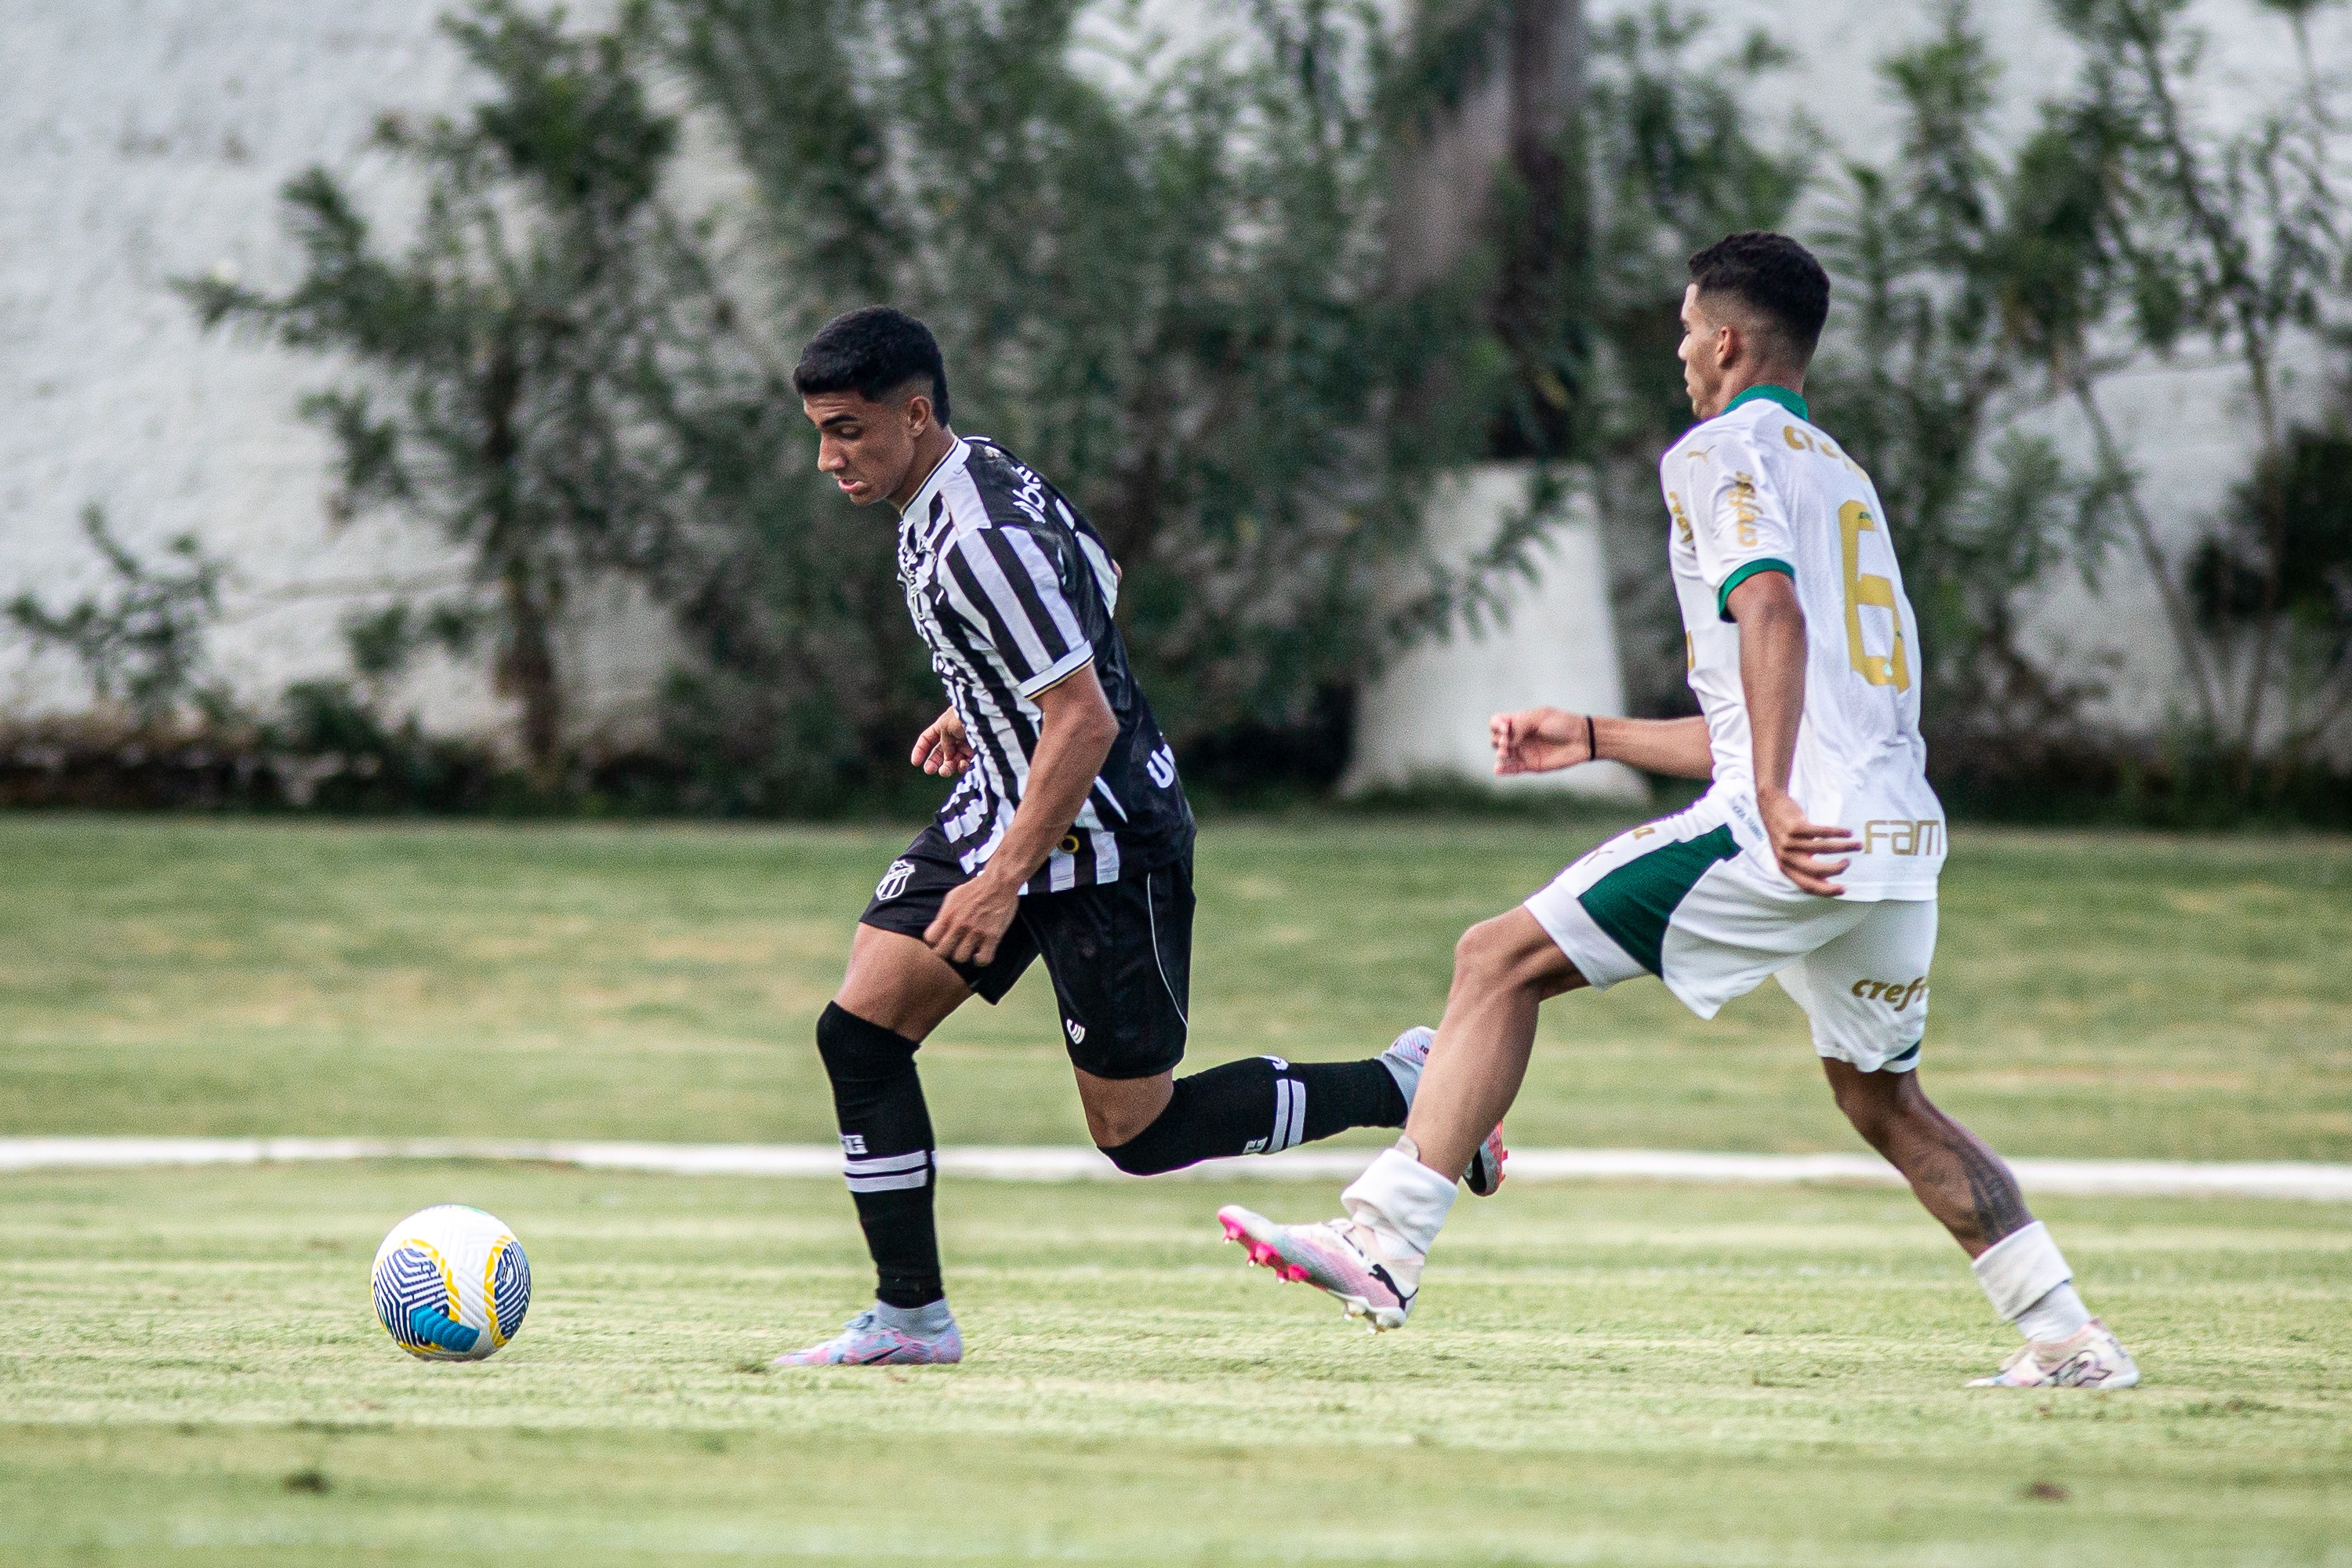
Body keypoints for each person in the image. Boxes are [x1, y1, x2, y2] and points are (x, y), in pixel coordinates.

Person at [1215, 234, 2139, 1391]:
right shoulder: (1841, 476)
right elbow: (1784, 704)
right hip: (1896, 839)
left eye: (1686, 330)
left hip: (1793, 830)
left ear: (1730, 341)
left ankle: (1385, 1241)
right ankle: (2067, 1338)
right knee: (1884, 1098)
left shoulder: (1718, 452)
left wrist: (1770, 799)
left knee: (1496, 959)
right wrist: (1598, 738)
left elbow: (1775, 622)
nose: (1681, 352)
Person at [776, 306, 1504, 1367]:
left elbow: (1086, 718)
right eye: (819, 430)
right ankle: (910, 1319)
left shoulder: (976, 534)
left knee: (1139, 1134)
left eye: (846, 429)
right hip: (1013, 797)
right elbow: (1096, 583)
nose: (828, 456)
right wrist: (984, 696)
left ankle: (1413, 1084)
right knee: (861, 1035)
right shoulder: (968, 474)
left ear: (916, 413)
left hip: (1104, 841)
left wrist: (999, 881)